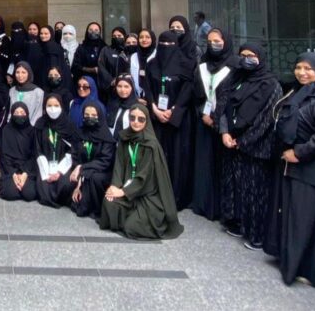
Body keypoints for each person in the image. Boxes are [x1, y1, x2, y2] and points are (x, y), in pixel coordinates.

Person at [263, 52, 315, 291]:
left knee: (310, 219)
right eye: (298, 67)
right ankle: (295, 263)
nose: (302, 72)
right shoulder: (302, 93)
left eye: (308, 69)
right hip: (299, 169)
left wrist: (299, 152)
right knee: (298, 217)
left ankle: (310, 269)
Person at [218, 43, 281, 250]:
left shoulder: (271, 85)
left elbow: (267, 118)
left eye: (251, 56)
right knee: (238, 188)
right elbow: (223, 105)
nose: (246, 59)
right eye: (243, 55)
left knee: (256, 192)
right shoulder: (236, 78)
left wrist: (243, 141)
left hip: (255, 148)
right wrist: (225, 132)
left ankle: (258, 234)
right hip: (232, 142)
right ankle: (239, 224)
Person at [97, 104, 184, 240]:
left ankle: (130, 219)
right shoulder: (125, 138)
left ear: (147, 121)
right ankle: (127, 216)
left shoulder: (151, 144)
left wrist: (122, 192)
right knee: (109, 203)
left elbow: (145, 177)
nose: (136, 122)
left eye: (141, 119)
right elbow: (118, 166)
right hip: (126, 188)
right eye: (133, 118)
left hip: (147, 195)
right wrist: (114, 186)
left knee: (131, 228)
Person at [147, 30, 197, 210]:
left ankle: (176, 196)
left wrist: (173, 110)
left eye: (170, 45)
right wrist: (154, 108)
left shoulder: (186, 65)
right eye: (163, 44)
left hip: (178, 120)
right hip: (156, 118)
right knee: (158, 155)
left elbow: (188, 90)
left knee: (177, 158)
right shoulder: (152, 64)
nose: (166, 48)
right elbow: (148, 89)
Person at [191, 28, 236, 220]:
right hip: (204, 120)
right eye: (209, 41)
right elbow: (196, 93)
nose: (213, 45)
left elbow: (232, 96)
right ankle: (204, 204)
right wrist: (203, 113)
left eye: (217, 41)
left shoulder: (234, 66)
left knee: (222, 165)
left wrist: (217, 117)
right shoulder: (202, 65)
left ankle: (222, 207)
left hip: (224, 124)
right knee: (204, 163)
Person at [71, 100, 116, 219]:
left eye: (94, 115)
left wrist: (82, 169)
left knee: (94, 178)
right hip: (83, 170)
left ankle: (97, 208)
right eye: (86, 115)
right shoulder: (79, 132)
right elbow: (74, 154)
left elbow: (105, 161)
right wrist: (78, 168)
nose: (90, 118)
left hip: (101, 171)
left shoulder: (106, 136)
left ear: (100, 116)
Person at [34, 95, 79, 208]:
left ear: (61, 107)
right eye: (49, 105)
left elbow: (73, 150)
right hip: (45, 164)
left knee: (65, 185)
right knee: (43, 189)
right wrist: (46, 171)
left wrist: (59, 171)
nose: (52, 109)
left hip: (63, 165)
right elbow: (37, 149)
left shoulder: (69, 125)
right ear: (45, 107)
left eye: (56, 105)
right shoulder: (40, 123)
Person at [0, 102, 37, 202]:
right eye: (16, 112)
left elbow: (34, 155)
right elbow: (3, 155)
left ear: (27, 114)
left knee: (29, 194)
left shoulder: (32, 131)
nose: (19, 115)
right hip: (9, 168)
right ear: (12, 114)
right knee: (10, 193)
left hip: (28, 169)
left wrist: (24, 174)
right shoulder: (6, 130)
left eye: (22, 112)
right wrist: (13, 174)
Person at [96, 27, 128, 96]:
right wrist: (111, 81)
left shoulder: (127, 50)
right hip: (108, 88)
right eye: (114, 36)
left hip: (125, 87)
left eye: (119, 36)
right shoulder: (105, 50)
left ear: (124, 37)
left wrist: (121, 80)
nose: (116, 38)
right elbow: (101, 67)